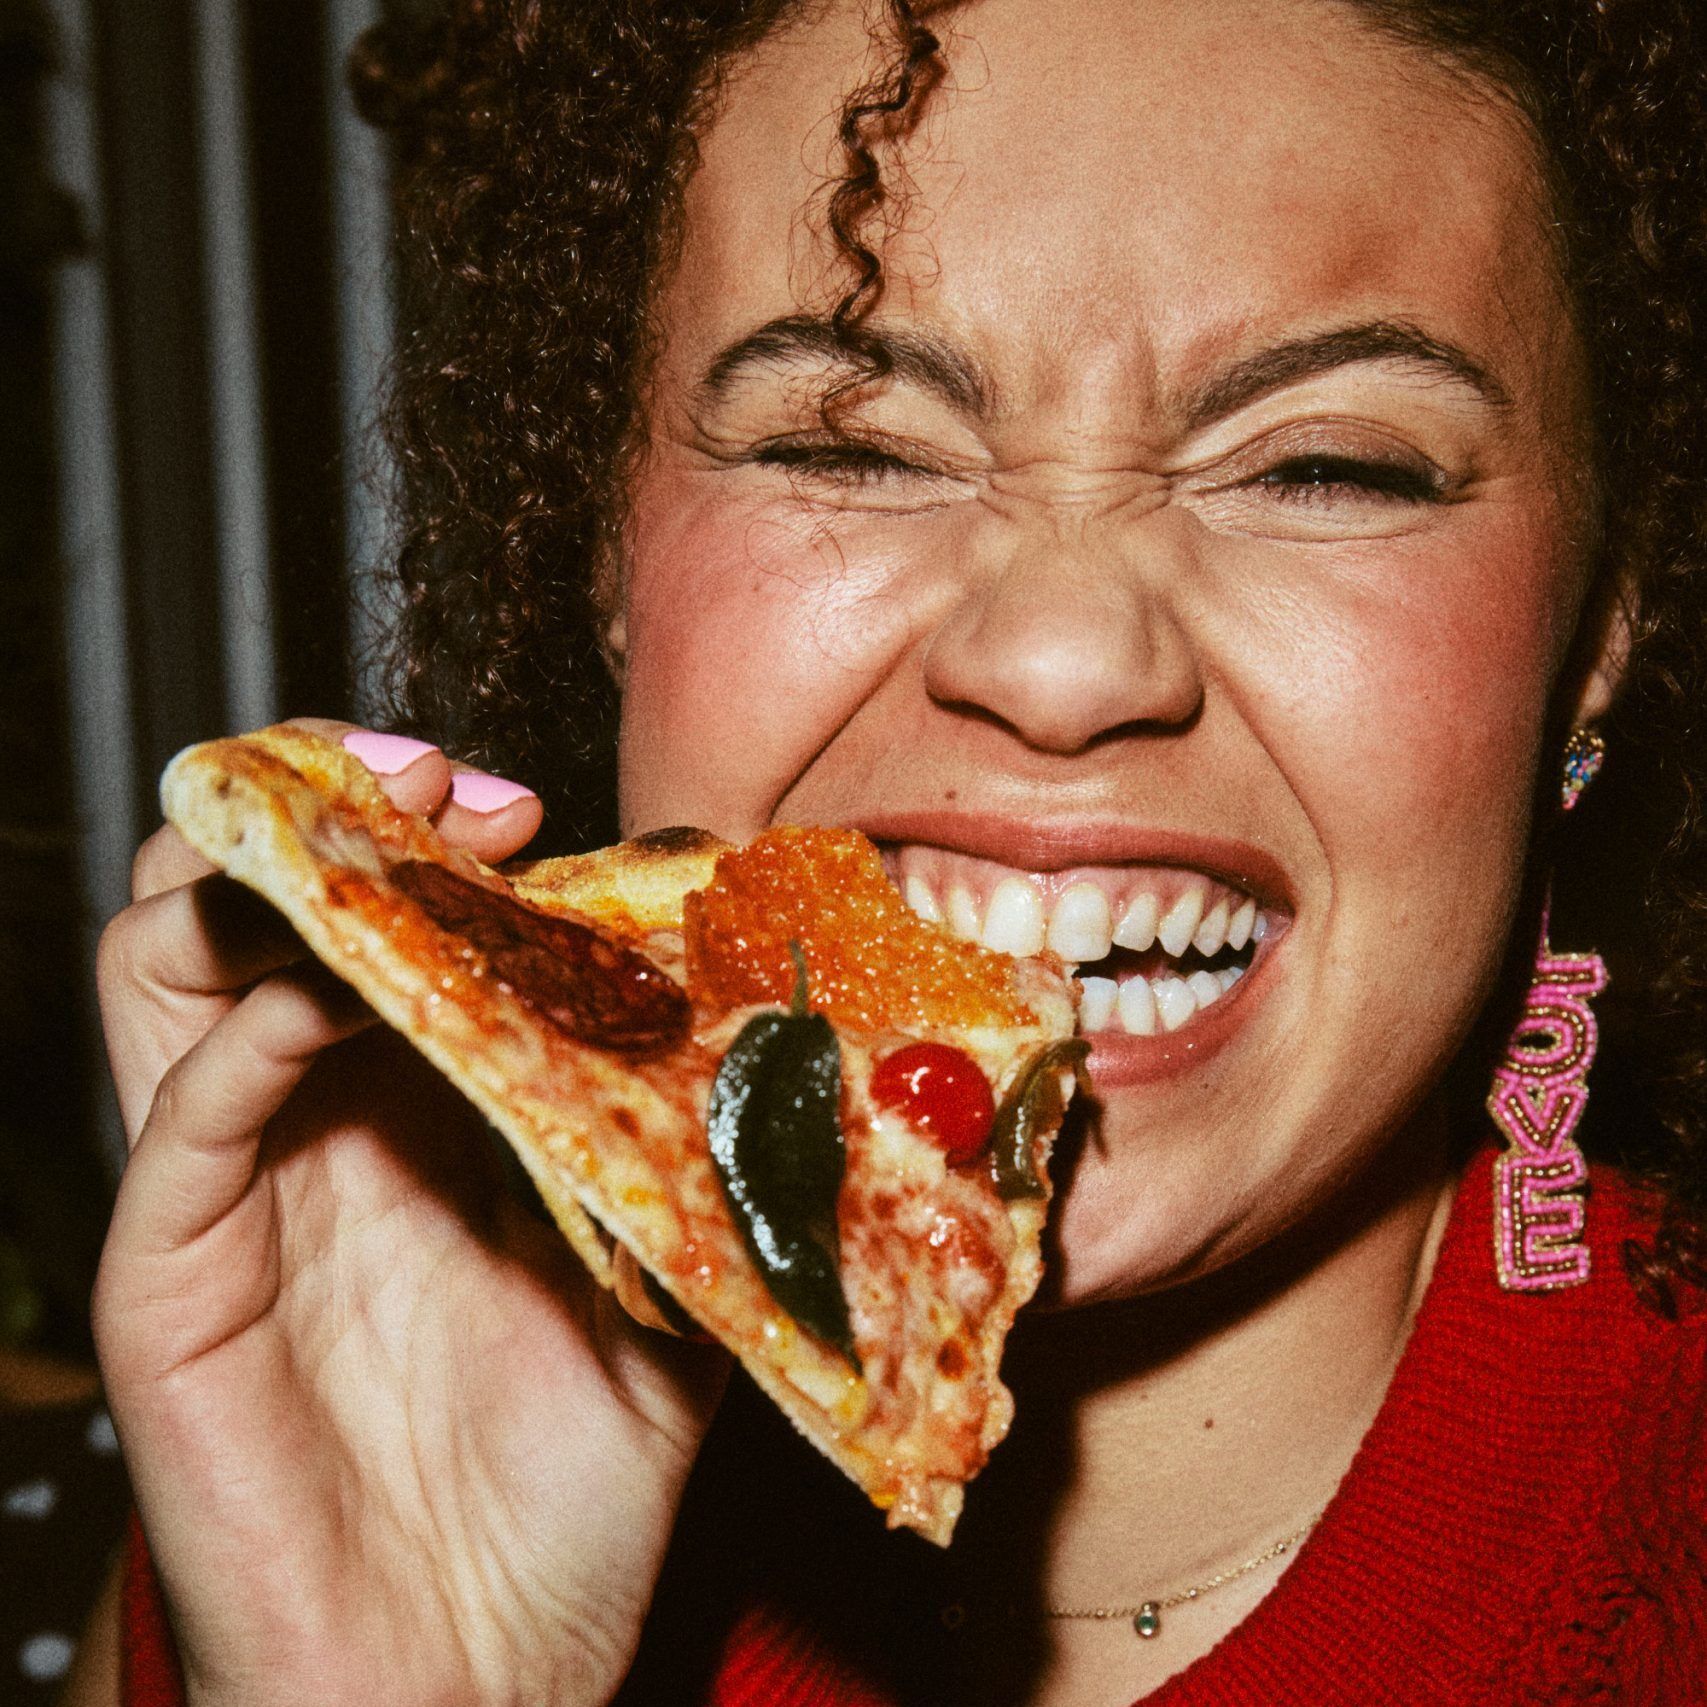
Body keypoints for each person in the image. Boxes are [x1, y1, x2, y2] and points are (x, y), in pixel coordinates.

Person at [78, 1, 1707, 1703]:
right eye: (846, 445)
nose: (1064, 663)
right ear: (609, 547)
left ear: (1601, 615)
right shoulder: (356, 1448)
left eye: (1324, 468)